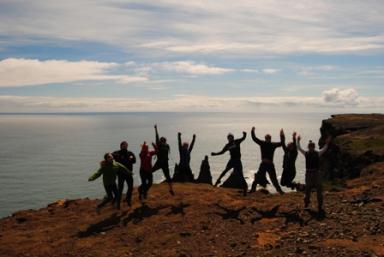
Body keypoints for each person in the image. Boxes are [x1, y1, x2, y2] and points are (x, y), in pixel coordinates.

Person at [297, 136, 330, 213]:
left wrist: (327, 143)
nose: (311, 147)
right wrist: (298, 140)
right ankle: (306, 204)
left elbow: (324, 149)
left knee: (319, 189)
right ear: (308, 147)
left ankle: (320, 206)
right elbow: (299, 148)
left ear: (314, 147)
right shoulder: (306, 153)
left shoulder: (317, 153)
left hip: (316, 173)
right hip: (309, 173)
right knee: (307, 189)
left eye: (312, 146)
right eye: (310, 146)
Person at [250, 127, 284, 194]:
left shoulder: (273, 145)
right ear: (265, 138)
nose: (268, 139)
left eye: (269, 138)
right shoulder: (262, 143)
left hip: (270, 165)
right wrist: (252, 131)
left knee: (274, 179)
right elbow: (254, 139)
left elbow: (282, 143)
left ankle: (280, 191)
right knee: (258, 177)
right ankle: (252, 190)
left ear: (270, 139)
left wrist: (281, 135)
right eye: (267, 138)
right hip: (263, 164)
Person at [211, 132, 248, 196]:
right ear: (228, 139)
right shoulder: (227, 145)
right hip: (232, 160)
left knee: (241, 175)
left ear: (233, 138)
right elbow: (222, 152)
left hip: (238, 161)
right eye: (229, 138)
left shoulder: (237, 141)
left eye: (231, 138)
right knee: (225, 171)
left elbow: (243, 138)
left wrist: (244, 135)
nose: (230, 139)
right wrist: (215, 154)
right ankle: (217, 182)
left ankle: (245, 191)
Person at [152, 124, 175, 195]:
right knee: (167, 176)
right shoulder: (165, 145)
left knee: (167, 177)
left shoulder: (165, 145)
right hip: (162, 162)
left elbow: (157, 137)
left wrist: (156, 129)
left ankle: (171, 189)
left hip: (162, 162)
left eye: (162, 141)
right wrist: (156, 129)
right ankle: (171, 189)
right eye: (163, 141)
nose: (163, 142)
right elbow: (157, 137)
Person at [112, 141, 136, 207]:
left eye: (126, 145)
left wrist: (132, 158)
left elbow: (134, 161)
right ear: (121, 146)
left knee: (130, 187)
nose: (125, 146)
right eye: (124, 145)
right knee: (120, 189)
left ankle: (128, 200)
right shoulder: (116, 153)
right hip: (121, 174)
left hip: (128, 174)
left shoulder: (130, 153)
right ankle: (118, 203)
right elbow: (110, 157)